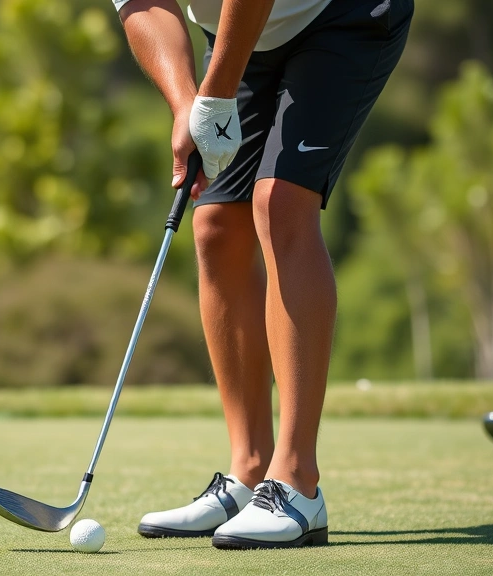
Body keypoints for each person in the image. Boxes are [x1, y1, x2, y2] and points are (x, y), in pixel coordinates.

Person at [113, 0, 412, 549]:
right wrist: (186, 104)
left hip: (342, 15)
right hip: (241, 35)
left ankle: (297, 481)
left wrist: (216, 95)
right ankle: (249, 470)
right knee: (215, 227)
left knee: (280, 204)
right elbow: (144, 5)